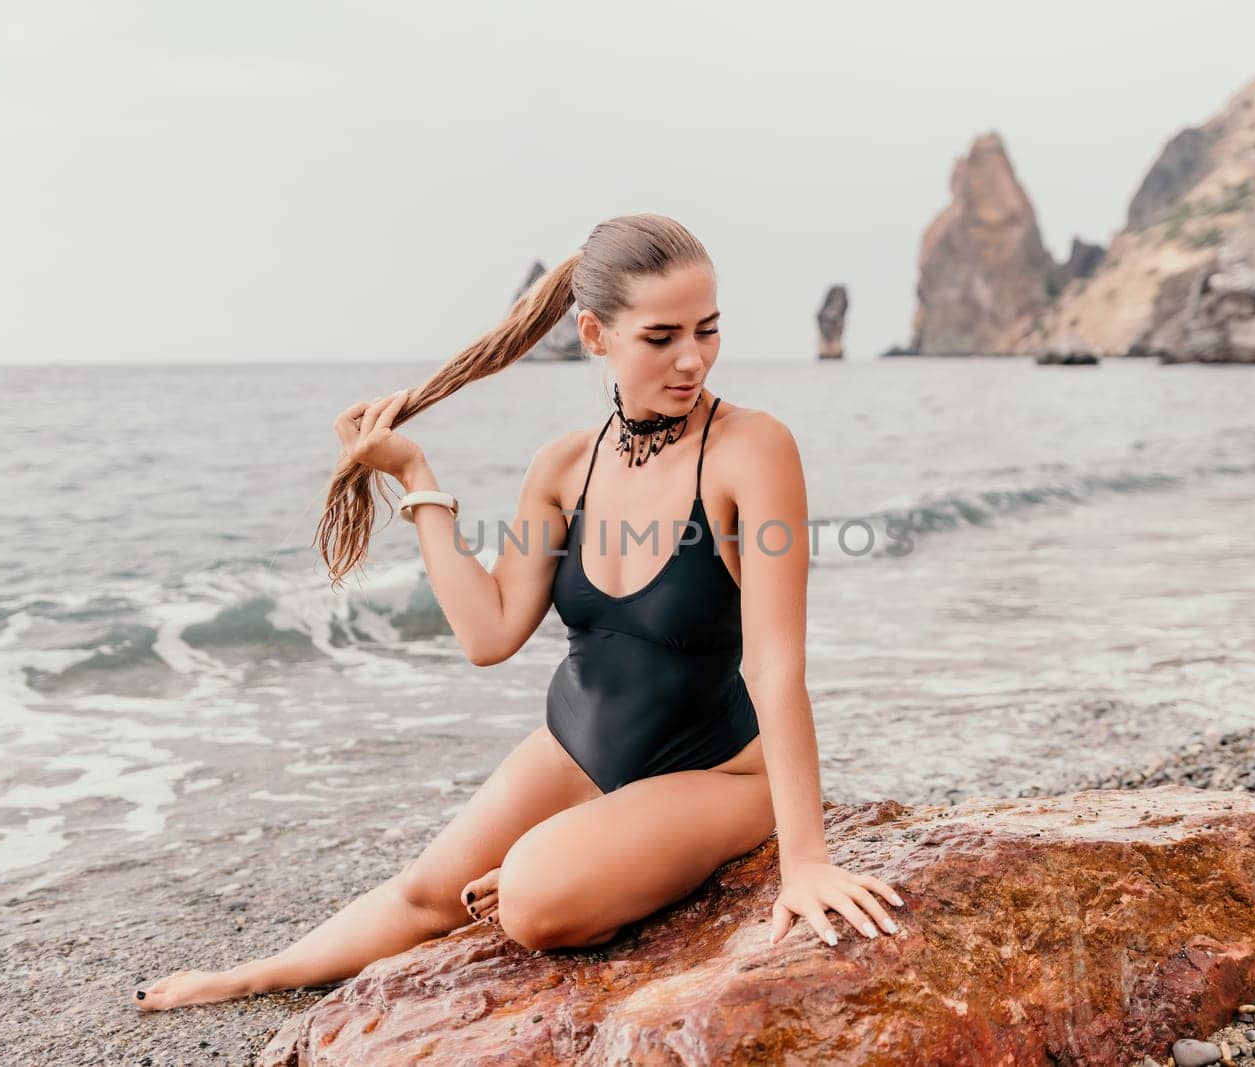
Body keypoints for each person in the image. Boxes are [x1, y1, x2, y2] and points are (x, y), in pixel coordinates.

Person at [135, 213, 904, 1012]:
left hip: (718, 772)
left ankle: (569, 859)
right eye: (661, 336)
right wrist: (416, 476)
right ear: (594, 334)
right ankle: (251, 973)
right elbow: (490, 630)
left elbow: (776, 667)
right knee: (430, 891)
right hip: (576, 745)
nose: (692, 358)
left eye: (708, 330)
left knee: (531, 899)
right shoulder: (564, 465)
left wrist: (805, 859)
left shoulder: (752, 448)